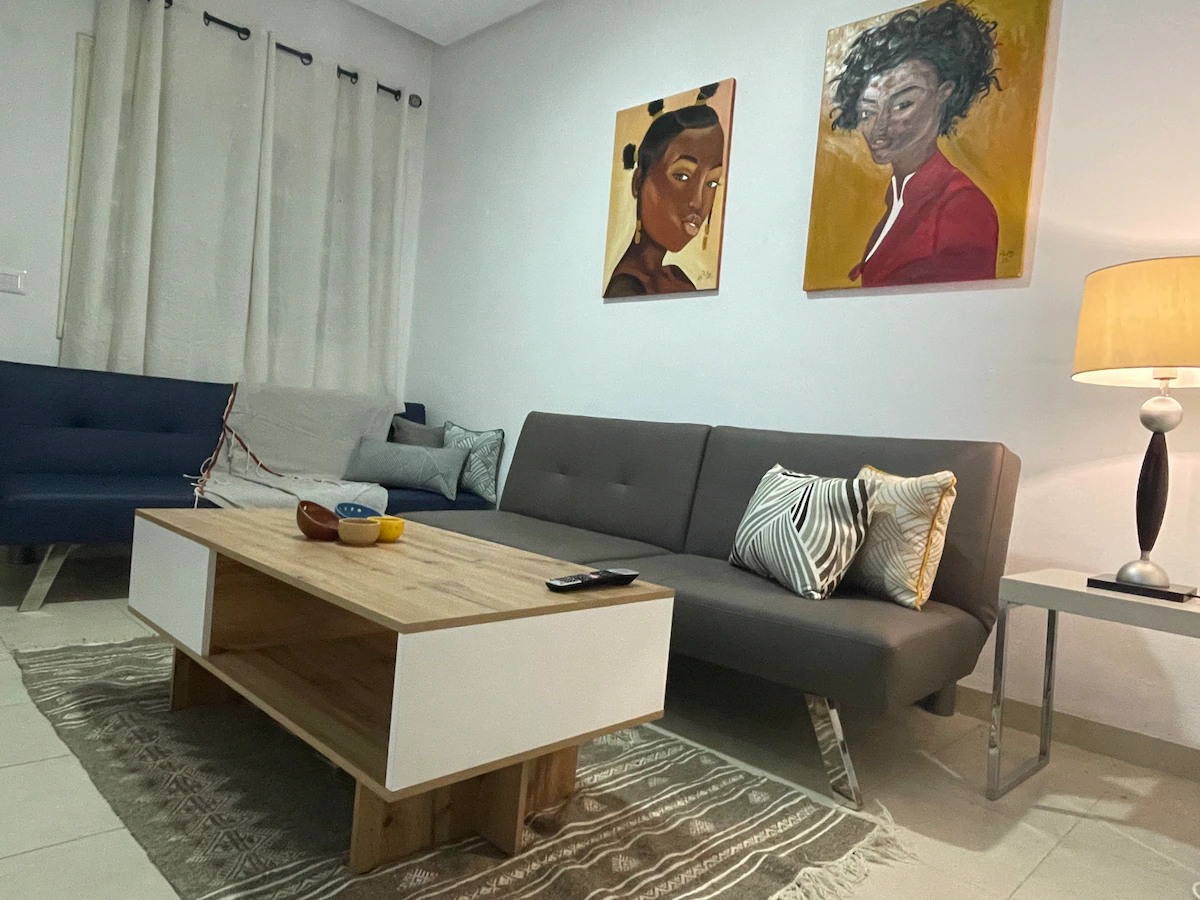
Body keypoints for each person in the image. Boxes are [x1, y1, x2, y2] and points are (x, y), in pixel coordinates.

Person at [830, 1, 1001, 287]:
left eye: (902, 105)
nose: (879, 127)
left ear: (944, 94)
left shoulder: (961, 206)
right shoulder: (897, 199)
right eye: (868, 112)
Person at [605, 85, 726, 298]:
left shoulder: (676, 277)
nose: (698, 201)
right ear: (638, 182)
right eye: (682, 176)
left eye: (712, 183)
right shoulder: (627, 288)